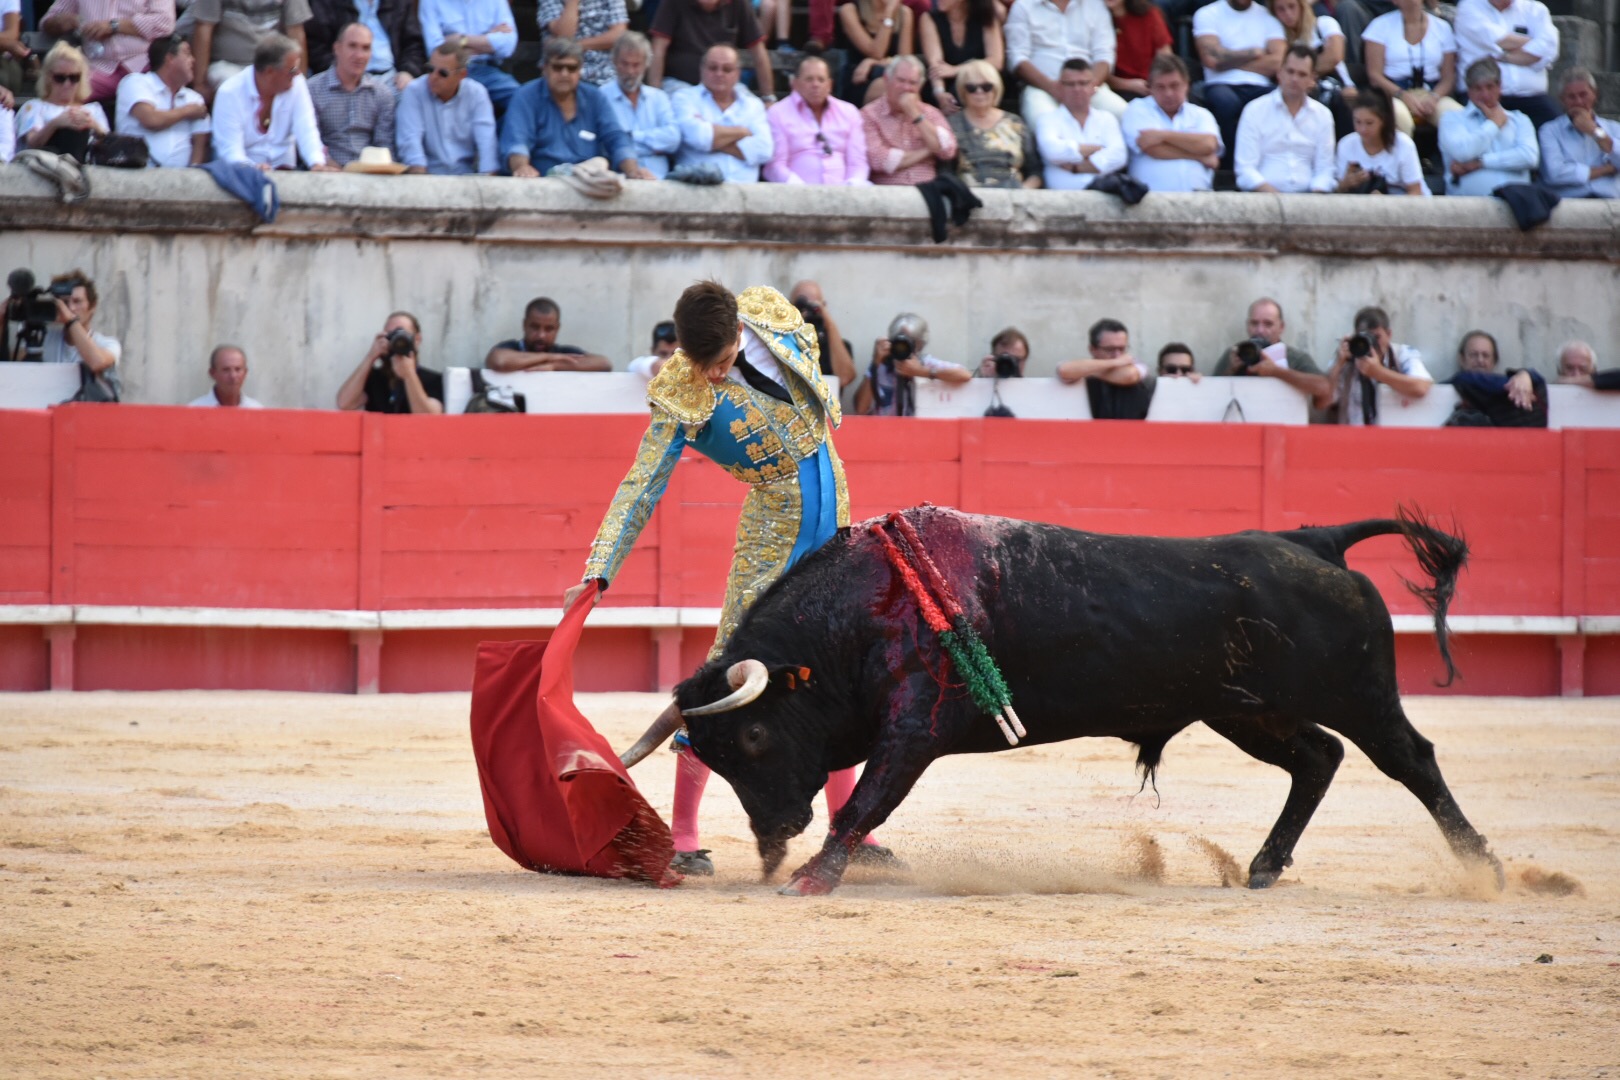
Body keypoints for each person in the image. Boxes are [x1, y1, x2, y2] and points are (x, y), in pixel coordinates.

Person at [564, 281, 893, 877]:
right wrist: (599, 569)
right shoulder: (680, 389)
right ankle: (685, 837)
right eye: (701, 366)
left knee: (836, 673)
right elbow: (642, 484)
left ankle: (851, 832)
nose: (711, 379)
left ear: (739, 334)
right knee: (723, 682)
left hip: (836, 517)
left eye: (717, 365)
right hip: (772, 534)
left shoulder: (772, 314)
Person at [502, 38, 650, 178]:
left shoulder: (595, 97)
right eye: (558, 67)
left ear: (580, 70)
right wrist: (521, 167)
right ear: (544, 68)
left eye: (571, 68)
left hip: (588, 181)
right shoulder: (526, 96)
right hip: (542, 181)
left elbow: (616, 138)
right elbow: (517, 141)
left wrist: (633, 171)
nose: (564, 74)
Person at [211, 33, 334, 169]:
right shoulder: (229, 93)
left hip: (286, 172)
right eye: (293, 69)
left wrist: (316, 163)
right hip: (242, 179)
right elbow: (230, 153)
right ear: (270, 72)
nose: (298, 73)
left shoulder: (297, 83)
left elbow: (307, 129)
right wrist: (254, 168)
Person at [1192, 0, 1285, 166]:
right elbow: (1211, 59)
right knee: (1226, 103)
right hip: (1220, 84)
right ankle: (1229, 166)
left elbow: (1278, 62)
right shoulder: (1207, 14)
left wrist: (1229, 60)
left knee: (1279, 100)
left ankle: (1269, 165)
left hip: (1261, 86)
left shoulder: (1268, 17)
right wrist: (1254, 53)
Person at [1005, 0, 1127, 125]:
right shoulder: (1023, 6)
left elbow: (1104, 54)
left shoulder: (1095, 5)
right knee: (1042, 122)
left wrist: (1089, 86)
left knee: (1124, 115)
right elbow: (1017, 57)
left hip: (1090, 87)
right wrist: (1052, 87)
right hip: (1042, 88)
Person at [1233, 44, 1334, 193]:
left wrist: (1313, 200)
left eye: (1302, 74)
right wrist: (1277, 200)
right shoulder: (1254, 110)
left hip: (1309, 203)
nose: (1294, 79)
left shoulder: (1323, 115)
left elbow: (1325, 170)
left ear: (1312, 79)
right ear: (1280, 72)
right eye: (1290, 71)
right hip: (1262, 200)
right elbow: (1245, 169)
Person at [39, 0, 176, 103]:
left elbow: (165, 22)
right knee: (62, 92)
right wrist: (59, 22)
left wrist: (114, 26)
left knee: (151, 96)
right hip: (97, 66)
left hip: (144, 64)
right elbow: (47, 21)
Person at [671, 43, 772, 182]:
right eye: (713, 68)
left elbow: (764, 150)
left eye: (727, 69)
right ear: (702, 69)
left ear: (738, 73)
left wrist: (713, 141)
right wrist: (741, 132)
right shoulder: (684, 98)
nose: (719, 74)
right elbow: (699, 137)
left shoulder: (753, 105)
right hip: (697, 189)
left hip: (745, 195)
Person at [395, 38, 498, 174]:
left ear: (462, 75)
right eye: (430, 69)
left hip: (466, 179)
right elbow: (410, 143)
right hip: (426, 177)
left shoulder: (477, 94)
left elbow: (487, 145)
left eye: (442, 73)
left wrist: (487, 185)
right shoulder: (414, 91)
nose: (433, 77)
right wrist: (421, 187)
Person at [1213, 296, 1333, 413]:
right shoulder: (1234, 354)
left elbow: (1324, 388)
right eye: (1254, 323)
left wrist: (1276, 372)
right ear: (1247, 325)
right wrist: (1230, 370)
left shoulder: (1295, 357)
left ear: (1281, 327)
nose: (1260, 330)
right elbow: (1209, 396)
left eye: (1268, 324)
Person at [1121, 53, 1220, 192]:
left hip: (1199, 198)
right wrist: (1198, 155)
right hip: (1150, 199)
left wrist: (1162, 136)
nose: (1168, 93)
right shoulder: (1137, 108)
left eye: (1174, 86)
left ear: (1187, 85)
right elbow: (1151, 149)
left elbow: (1208, 145)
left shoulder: (1201, 114)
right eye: (1161, 87)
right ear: (1151, 88)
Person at [1361, 0, 1460, 138]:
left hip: (1432, 93)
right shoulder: (1379, 26)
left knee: (1457, 118)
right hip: (1393, 93)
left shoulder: (1442, 27)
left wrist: (1434, 97)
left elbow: (1448, 77)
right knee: (1401, 118)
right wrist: (1402, 95)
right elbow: (1374, 75)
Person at [765, 54, 869, 185]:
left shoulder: (850, 112)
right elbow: (775, 165)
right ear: (795, 84)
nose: (816, 85)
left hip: (845, 195)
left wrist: (851, 186)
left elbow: (858, 163)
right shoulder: (777, 113)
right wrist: (798, 189)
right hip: (794, 195)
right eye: (809, 79)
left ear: (830, 85)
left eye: (821, 80)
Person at [1453, 0, 1558, 130]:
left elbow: (1549, 47)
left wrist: (1501, 56)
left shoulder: (1536, 9)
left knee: (1558, 128)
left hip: (1531, 98)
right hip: (1483, 98)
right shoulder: (1469, 7)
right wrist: (1534, 44)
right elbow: (1499, 40)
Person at [1439, 58, 1537, 197]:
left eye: (1490, 87)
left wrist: (1480, 163)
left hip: (1518, 205)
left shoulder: (1519, 120)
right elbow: (1463, 153)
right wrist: (1494, 124)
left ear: (1499, 87)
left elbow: (1529, 157)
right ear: (1469, 91)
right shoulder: (1452, 119)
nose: (1485, 95)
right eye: (1478, 88)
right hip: (1469, 207)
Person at [115, 33, 211, 167]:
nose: (193, 60)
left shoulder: (194, 98)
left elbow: (199, 145)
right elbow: (151, 120)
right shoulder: (135, 82)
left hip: (182, 181)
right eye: (187, 54)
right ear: (170, 58)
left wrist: (193, 176)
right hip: (137, 175)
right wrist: (187, 111)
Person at [184, 0, 311, 100]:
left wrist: (299, 76)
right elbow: (203, 28)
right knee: (235, 89)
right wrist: (199, 84)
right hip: (227, 65)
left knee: (296, 87)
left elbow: (296, 32)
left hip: (272, 65)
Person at [307, 23, 396, 166]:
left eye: (365, 48)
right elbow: (309, 141)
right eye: (352, 46)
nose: (359, 55)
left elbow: (384, 145)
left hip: (370, 175)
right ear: (337, 48)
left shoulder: (382, 94)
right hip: (325, 173)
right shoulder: (312, 90)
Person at [1326, 304, 1431, 425]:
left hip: (1392, 439)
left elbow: (1421, 387)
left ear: (1389, 334)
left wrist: (1378, 372)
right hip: (1353, 439)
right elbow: (1322, 402)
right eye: (1366, 337)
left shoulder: (1401, 354)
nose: (1372, 343)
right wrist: (1339, 364)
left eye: (1377, 337)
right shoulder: (1347, 358)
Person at [861, 53, 956, 186]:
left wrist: (915, 114)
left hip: (928, 192)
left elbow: (948, 151)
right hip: (889, 193)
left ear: (920, 86)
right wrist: (930, 150)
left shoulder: (931, 113)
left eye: (912, 83)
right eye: (901, 81)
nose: (906, 88)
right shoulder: (869, 114)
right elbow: (880, 161)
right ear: (887, 80)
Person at [648, 0, 772, 100]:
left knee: (754, 113)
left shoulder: (739, 3)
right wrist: (654, 97)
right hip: (681, 84)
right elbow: (658, 50)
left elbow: (759, 52)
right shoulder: (673, 2)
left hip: (726, 87)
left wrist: (768, 98)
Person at [1034, 56, 1125, 190]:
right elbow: (1052, 151)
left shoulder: (1107, 118)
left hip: (1104, 198)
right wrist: (1098, 149)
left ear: (1093, 86)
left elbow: (1119, 156)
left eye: (1083, 83)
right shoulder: (1047, 119)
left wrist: (1076, 167)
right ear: (1060, 86)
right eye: (1070, 84)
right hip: (1059, 202)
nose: (1077, 89)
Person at [854, 311, 971, 416]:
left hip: (918, 433)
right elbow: (860, 409)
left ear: (920, 344)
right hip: (884, 434)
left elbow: (965, 374)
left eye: (909, 341)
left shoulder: (925, 363)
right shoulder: (881, 366)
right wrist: (875, 363)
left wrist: (921, 372)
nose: (903, 346)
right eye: (898, 340)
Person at [948, 58, 1040, 189]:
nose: (979, 92)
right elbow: (945, 172)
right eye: (971, 88)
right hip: (970, 198)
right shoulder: (951, 124)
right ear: (962, 91)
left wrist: (1022, 192)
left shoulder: (1015, 123)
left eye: (986, 87)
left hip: (1014, 198)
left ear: (996, 89)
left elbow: (1035, 171)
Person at [602, 31, 680, 179]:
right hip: (620, 180)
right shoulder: (602, 97)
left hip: (661, 181)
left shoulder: (659, 97)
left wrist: (630, 137)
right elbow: (606, 146)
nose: (630, 71)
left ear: (646, 64)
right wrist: (654, 146)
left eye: (636, 65)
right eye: (624, 64)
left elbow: (673, 139)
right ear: (614, 62)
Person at [418, 0, 520, 111]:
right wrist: (488, 39)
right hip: (450, 71)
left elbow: (508, 46)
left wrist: (462, 40)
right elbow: (435, 49)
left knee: (519, 98)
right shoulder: (430, 2)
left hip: (487, 71)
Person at [335, 311, 445, 413]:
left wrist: (409, 376)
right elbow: (344, 403)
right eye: (390, 334)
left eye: (402, 333)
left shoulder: (434, 380)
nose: (396, 339)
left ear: (417, 339)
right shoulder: (374, 378)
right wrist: (371, 356)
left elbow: (428, 417)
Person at [305, 0, 426, 91]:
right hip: (346, 79)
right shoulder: (327, 2)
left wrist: (408, 71)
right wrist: (341, 74)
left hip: (393, 77)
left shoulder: (399, 2)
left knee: (417, 94)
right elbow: (316, 47)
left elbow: (413, 43)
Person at [1538, 69, 1620, 201]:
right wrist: (1606, 170)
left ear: (1595, 94)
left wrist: (1595, 131)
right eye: (1571, 97)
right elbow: (1555, 174)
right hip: (1570, 203)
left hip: (1609, 202)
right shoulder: (1549, 130)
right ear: (1562, 100)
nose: (1579, 102)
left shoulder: (1614, 128)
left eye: (1584, 95)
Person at [18, 43, 111, 159]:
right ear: (48, 77)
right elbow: (32, 143)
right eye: (60, 78)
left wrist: (93, 125)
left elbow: (110, 147)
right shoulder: (33, 107)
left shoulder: (93, 109)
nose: (67, 84)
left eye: (74, 78)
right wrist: (56, 123)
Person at [40, 270, 122, 399]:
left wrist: (70, 321)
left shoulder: (107, 343)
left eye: (77, 301)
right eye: (65, 303)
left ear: (92, 306)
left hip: (86, 414)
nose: (71, 308)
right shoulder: (45, 337)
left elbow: (97, 362)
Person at [1334, 87, 1426, 195]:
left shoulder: (1404, 144)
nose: (1362, 129)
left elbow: (1415, 191)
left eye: (1369, 123)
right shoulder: (1346, 144)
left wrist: (1385, 204)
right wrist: (1346, 184)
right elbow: (1338, 192)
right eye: (1357, 122)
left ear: (1384, 120)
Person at [1445, 329, 1545, 427]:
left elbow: (1539, 380)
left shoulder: (1510, 382)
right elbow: (1465, 379)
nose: (1480, 360)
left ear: (1494, 361)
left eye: (1486, 355)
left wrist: (1526, 375)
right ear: (1462, 359)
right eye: (1474, 355)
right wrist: (1526, 375)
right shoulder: (1459, 380)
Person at [1056, 317, 1151, 419]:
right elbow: (1064, 370)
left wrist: (1089, 370)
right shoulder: (1117, 360)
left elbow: (1129, 376)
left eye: (1122, 349)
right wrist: (1115, 363)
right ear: (1092, 349)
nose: (1117, 355)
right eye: (1110, 349)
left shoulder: (1136, 364)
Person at [485, 296, 612, 371]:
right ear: (524, 325)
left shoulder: (563, 353)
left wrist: (554, 366)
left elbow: (604, 364)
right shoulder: (512, 347)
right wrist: (548, 357)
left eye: (549, 329)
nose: (541, 335)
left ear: (557, 328)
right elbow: (499, 361)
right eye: (535, 327)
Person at [919, 0, 1002, 114]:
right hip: (945, 84)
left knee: (972, 86)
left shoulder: (985, 15)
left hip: (979, 81)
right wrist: (940, 93)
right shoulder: (929, 18)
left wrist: (955, 70)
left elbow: (996, 61)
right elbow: (936, 66)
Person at [836, 0, 914, 104]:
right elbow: (876, 52)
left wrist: (872, 62)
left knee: (904, 87)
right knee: (891, 88)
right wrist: (888, 15)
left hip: (893, 75)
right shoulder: (849, 10)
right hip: (861, 77)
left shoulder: (905, 13)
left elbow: (905, 61)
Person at [538, 0, 626, 88]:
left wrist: (575, 45)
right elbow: (564, 35)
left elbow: (618, 37)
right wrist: (572, 3)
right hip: (564, 76)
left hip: (606, 77)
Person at [787, 279, 858, 388]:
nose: (807, 310)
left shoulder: (836, 345)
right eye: (801, 304)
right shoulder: (782, 341)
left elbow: (845, 378)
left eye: (812, 305)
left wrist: (828, 323)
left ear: (824, 306)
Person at [1102, 0, 1169, 105]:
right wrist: (1129, 85)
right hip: (1116, 90)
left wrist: (1156, 84)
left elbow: (1166, 57)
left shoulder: (1150, 14)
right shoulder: (1095, 21)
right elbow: (1098, 72)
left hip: (1153, 84)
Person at [189, 345, 265, 407]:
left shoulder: (256, 410)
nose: (233, 376)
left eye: (238, 369)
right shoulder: (195, 410)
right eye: (226, 370)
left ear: (245, 373)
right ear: (212, 373)